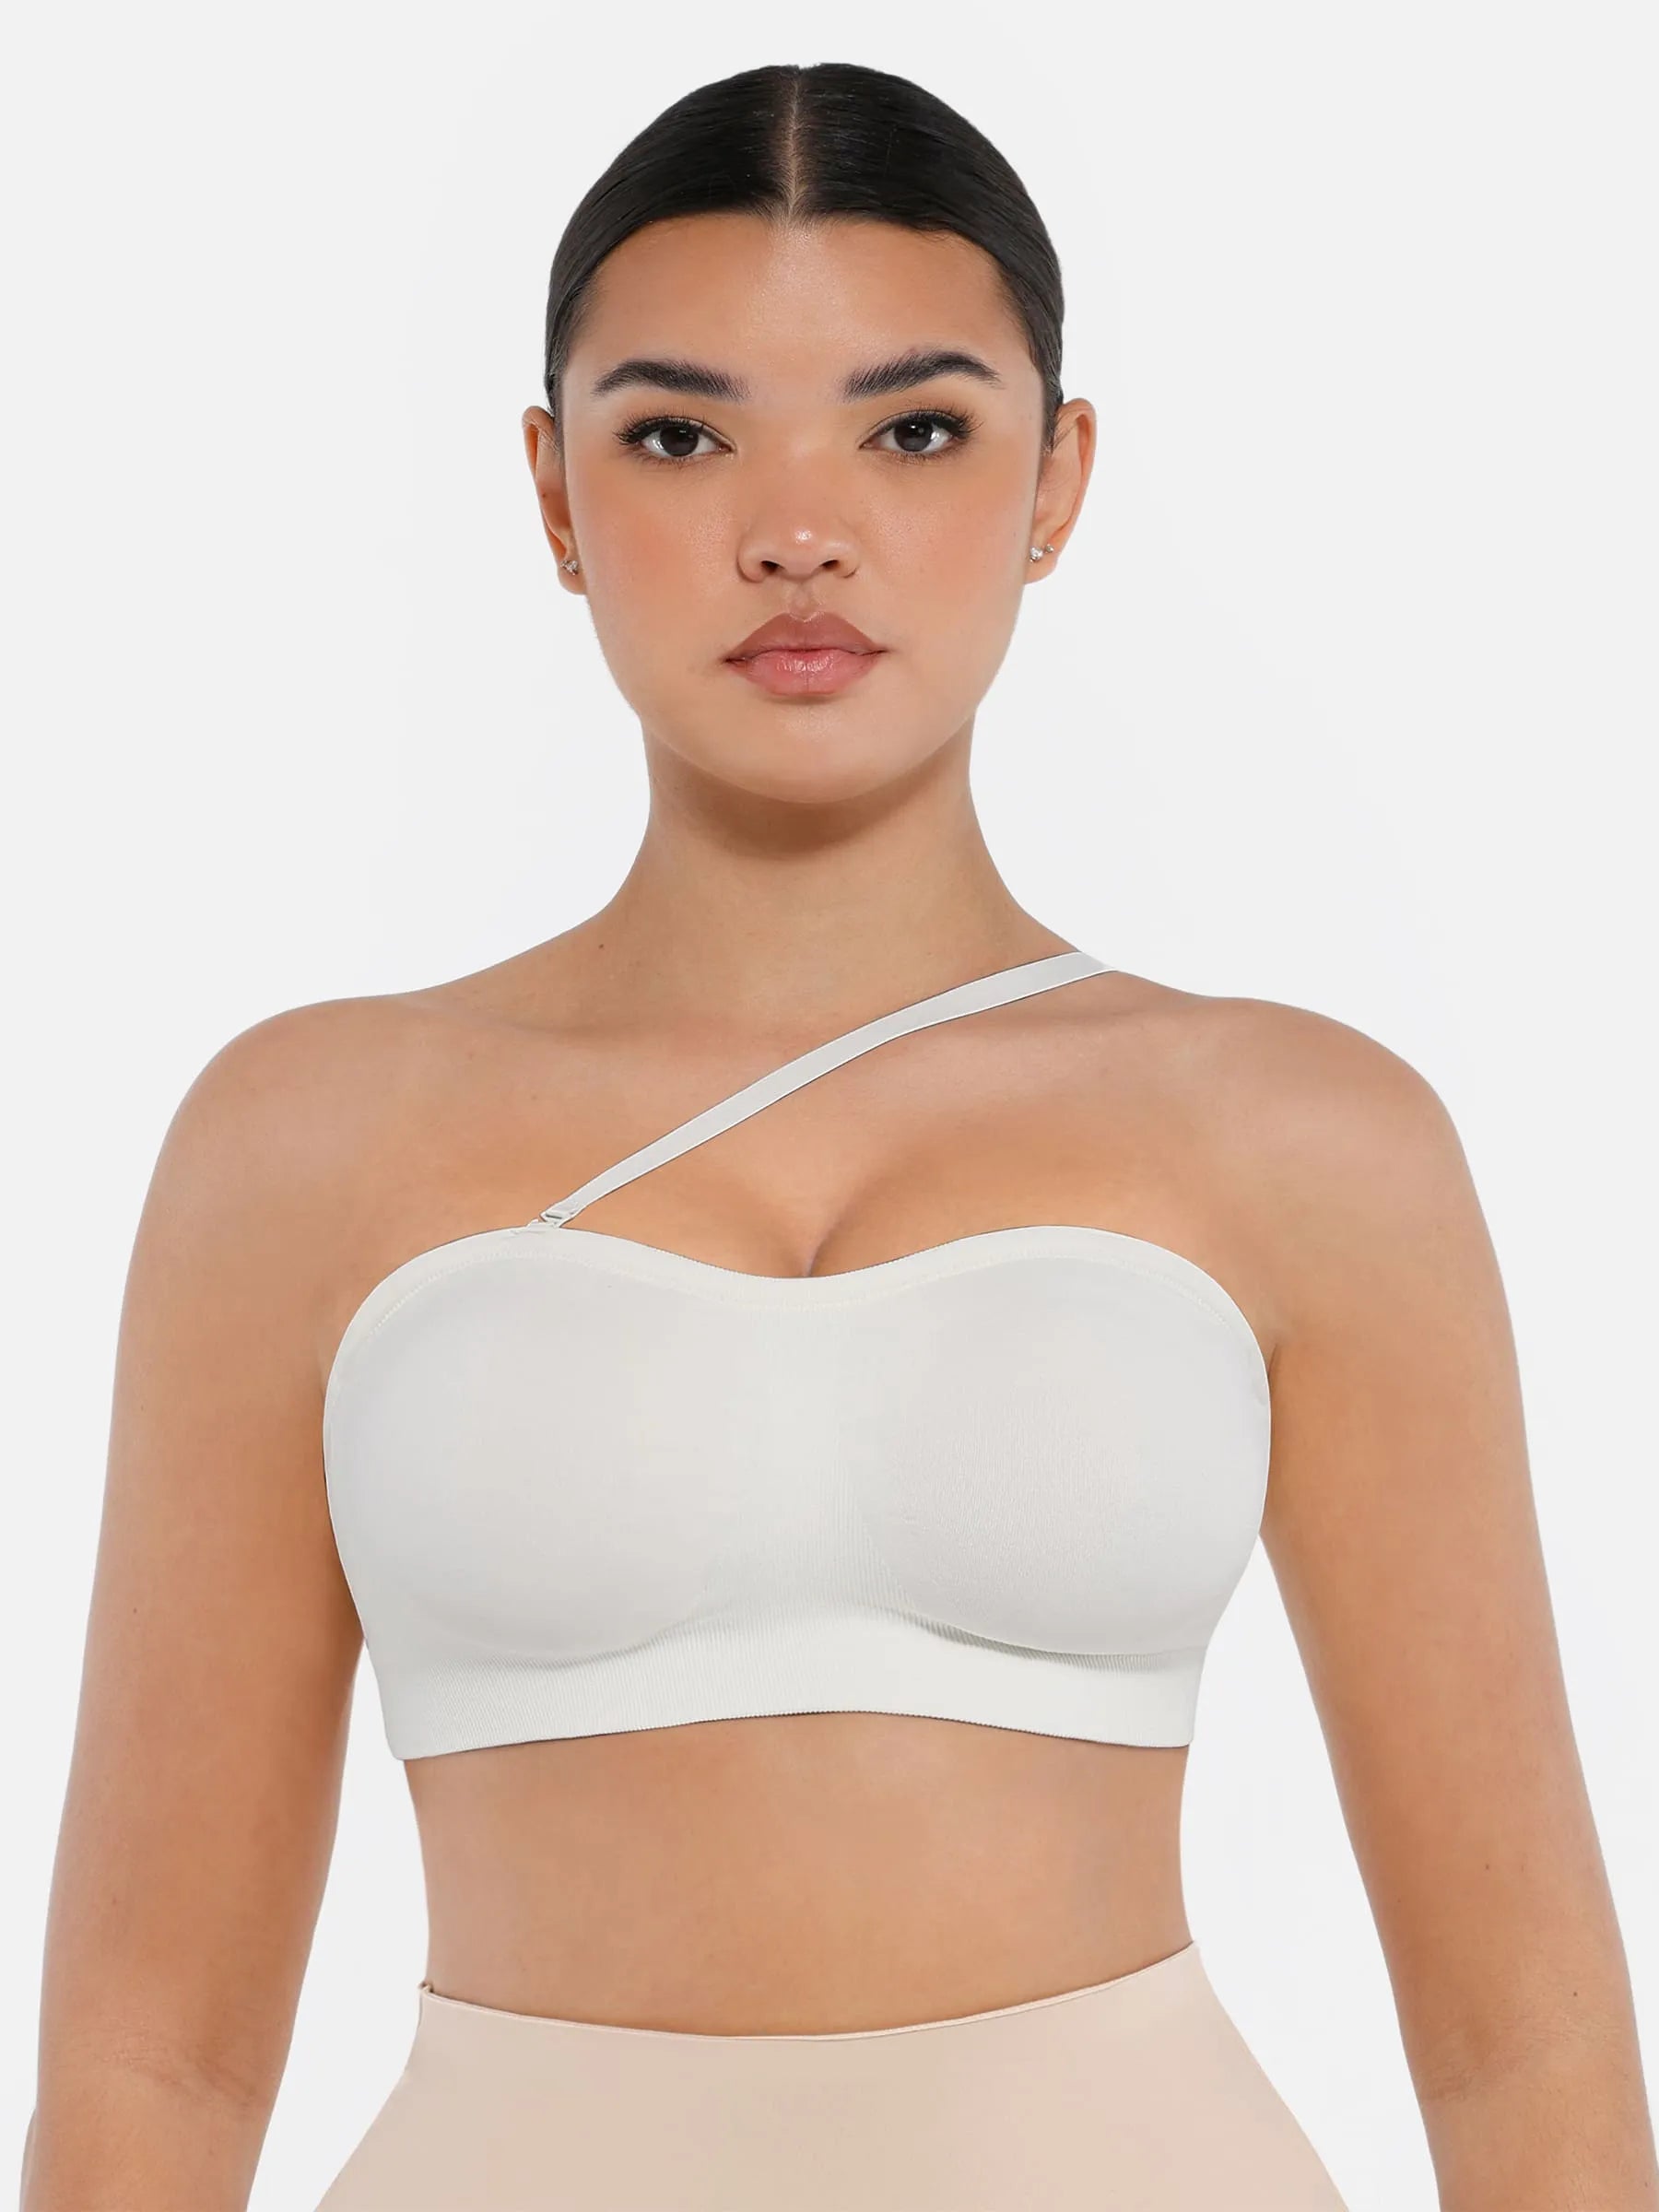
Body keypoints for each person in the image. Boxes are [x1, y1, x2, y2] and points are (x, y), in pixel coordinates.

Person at [22, 58, 1655, 2212]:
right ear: (551, 491)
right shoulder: (305, 1143)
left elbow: (1526, 2042)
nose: (799, 529)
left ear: (1059, 477)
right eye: (679, 434)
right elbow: (154, 2056)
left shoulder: (1304, 1141)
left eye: (916, 430)